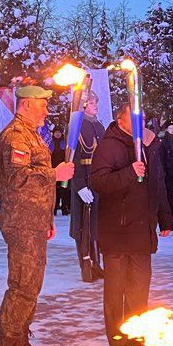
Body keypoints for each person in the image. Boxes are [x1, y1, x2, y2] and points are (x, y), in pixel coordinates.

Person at [0, 85, 75, 346]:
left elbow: (35, 184)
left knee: (32, 285)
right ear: (26, 104)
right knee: (22, 286)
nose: (46, 110)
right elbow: (17, 179)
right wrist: (56, 173)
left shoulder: (31, 134)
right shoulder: (15, 136)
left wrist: (47, 216)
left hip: (34, 220)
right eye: (42, 105)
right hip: (21, 221)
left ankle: (21, 345)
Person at [91, 104, 173, 346]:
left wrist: (165, 218)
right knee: (116, 291)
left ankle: (139, 333)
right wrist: (129, 173)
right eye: (134, 117)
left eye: (143, 117)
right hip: (116, 231)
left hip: (141, 230)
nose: (140, 122)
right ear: (121, 119)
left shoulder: (149, 145)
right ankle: (117, 340)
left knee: (139, 288)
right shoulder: (109, 145)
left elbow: (157, 184)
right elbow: (98, 182)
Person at [69, 89, 106, 282]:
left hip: (98, 183)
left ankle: (96, 264)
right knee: (83, 227)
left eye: (96, 103)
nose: (96, 106)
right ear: (83, 105)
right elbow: (72, 158)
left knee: (96, 226)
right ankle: (86, 265)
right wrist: (79, 185)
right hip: (83, 183)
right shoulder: (77, 126)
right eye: (92, 103)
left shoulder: (99, 126)